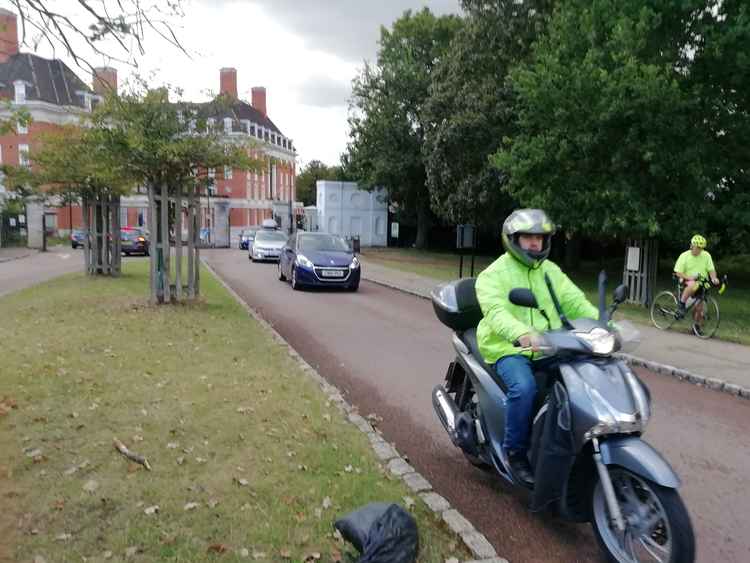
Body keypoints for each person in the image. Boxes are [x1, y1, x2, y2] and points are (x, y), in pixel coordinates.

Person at [474, 209, 598, 486]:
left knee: (581, 382)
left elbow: (576, 302)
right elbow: (496, 312)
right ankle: (514, 453)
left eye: (539, 238)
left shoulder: (550, 272)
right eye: (528, 237)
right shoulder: (493, 275)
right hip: (508, 348)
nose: (534, 243)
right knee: (524, 388)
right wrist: (522, 334)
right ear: (513, 239)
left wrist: (604, 325)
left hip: (549, 346)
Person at [673, 234, 720, 335]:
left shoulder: (706, 255)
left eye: (701, 248)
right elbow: (678, 272)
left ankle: (696, 327)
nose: (699, 250)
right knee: (693, 284)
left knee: (699, 308)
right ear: (691, 246)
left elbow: (711, 270)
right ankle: (681, 304)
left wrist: (714, 278)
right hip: (686, 280)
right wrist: (690, 277)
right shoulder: (684, 256)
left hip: (702, 283)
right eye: (697, 247)